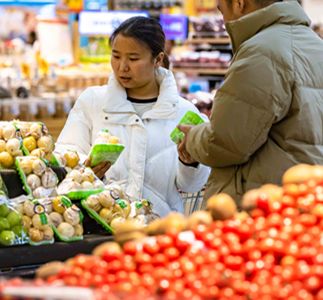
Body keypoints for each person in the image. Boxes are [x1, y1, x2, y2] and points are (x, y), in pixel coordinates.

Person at [177, 0, 323, 207]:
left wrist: (193, 138)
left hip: (264, 207)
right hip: (318, 201)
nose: (224, 21)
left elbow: (227, 143)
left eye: (222, 10)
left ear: (238, 2)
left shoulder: (260, 52)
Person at [56, 17, 210, 217]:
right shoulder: (93, 102)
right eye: (116, 56)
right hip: (100, 224)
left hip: (160, 229)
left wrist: (190, 163)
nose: (122, 67)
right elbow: (64, 156)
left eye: (133, 59)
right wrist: (84, 173)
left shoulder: (183, 113)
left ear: (157, 59)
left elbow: (193, 187)